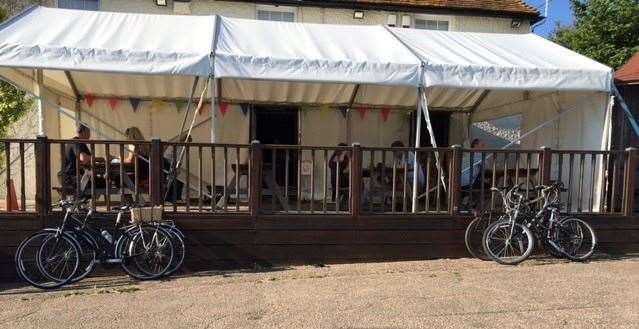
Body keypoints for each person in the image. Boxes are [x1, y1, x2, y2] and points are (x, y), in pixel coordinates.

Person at [57, 124, 105, 194]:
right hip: (71, 178)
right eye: (88, 133)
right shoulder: (76, 142)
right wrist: (98, 159)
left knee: (101, 182)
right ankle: (82, 201)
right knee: (103, 183)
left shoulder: (79, 143)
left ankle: (84, 202)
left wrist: (96, 159)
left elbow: (87, 160)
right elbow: (83, 158)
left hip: (71, 176)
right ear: (83, 132)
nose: (89, 136)